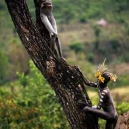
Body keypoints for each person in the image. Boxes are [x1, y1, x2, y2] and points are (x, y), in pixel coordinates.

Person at [78, 59, 118, 129]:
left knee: (86, 109)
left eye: (99, 79)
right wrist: (80, 72)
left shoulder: (104, 92)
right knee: (92, 109)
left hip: (110, 115)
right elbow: (87, 83)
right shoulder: (100, 85)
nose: (98, 80)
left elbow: (98, 107)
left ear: (103, 81)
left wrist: (86, 105)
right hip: (114, 115)